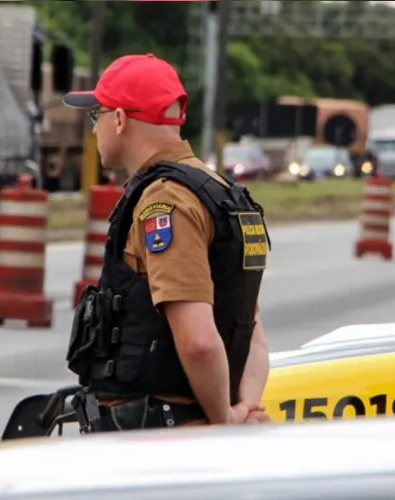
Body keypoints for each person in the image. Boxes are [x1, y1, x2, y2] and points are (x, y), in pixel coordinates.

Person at [62, 54, 273, 433]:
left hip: (162, 439)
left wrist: (224, 421)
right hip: (195, 429)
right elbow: (250, 327)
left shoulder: (167, 202)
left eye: (98, 116)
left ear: (121, 120)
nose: (95, 129)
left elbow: (199, 342)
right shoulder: (225, 194)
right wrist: (245, 407)